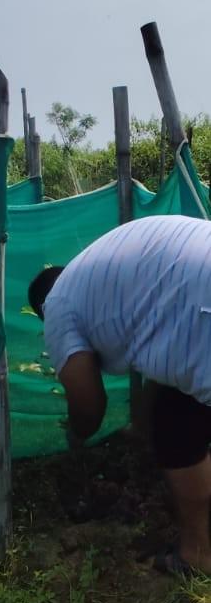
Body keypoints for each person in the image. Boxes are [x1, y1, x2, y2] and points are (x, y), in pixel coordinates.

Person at [28, 213, 211, 577]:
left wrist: (77, 434)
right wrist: (142, 425)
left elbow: (89, 405)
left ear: (41, 311)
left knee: (177, 433)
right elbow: (164, 373)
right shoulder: (100, 270)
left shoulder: (58, 306)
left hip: (201, 311)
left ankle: (197, 554)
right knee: (178, 406)